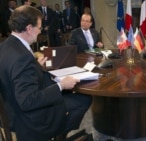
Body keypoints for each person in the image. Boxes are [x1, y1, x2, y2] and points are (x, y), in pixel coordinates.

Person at [0, 5, 92, 141]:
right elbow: (27, 101)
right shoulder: (22, 57)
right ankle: (60, 134)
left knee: (70, 92)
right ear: (29, 28)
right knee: (84, 99)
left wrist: (36, 66)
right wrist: (61, 86)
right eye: (39, 27)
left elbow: (16, 75)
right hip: (30, 120)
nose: (40, 31)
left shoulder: (5, 46)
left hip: (11, 111)